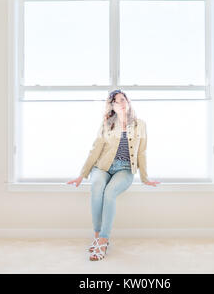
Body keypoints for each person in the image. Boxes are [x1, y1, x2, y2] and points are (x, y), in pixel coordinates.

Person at [66, 89, 160, 261]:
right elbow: (95, 150)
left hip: (124, 169)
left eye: (123, 99)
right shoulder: (106, 124)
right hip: (102, 167)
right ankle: (97, 236)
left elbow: (142, 153)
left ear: (128, 101)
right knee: (97, 187)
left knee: (110, 193)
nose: (121, 103)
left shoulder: (141, 124)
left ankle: (103, 240)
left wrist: (145, 178)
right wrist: (82, 174)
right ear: (112, 106)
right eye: (116, 101)